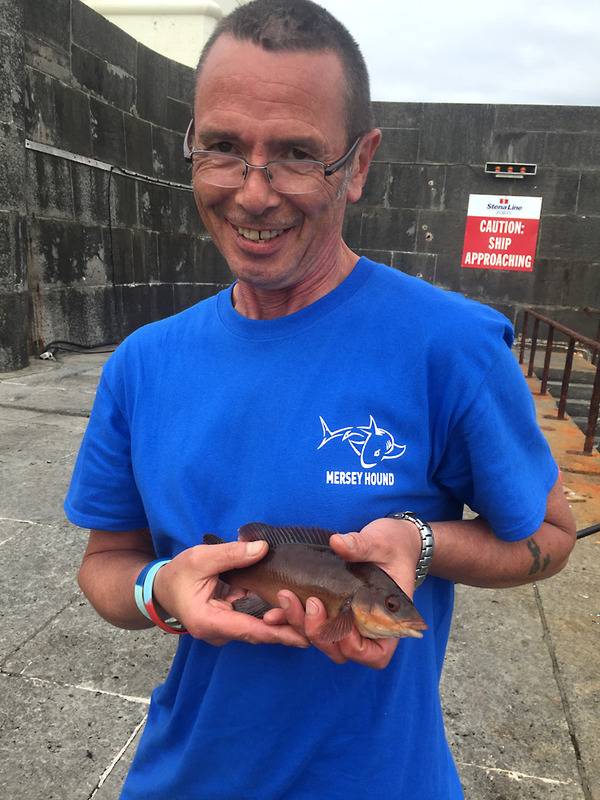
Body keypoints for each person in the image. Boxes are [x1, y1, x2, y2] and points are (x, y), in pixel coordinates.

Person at [64, 1, 576, 798]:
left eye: (298, 155)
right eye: (224, 150)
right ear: (191, 148)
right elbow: (107, 563)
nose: (254, 193)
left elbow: (551, 533)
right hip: (183, 776)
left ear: (361, 163)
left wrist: (422, 541)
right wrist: (161, 592)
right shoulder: (143, 363)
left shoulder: (452, 346)